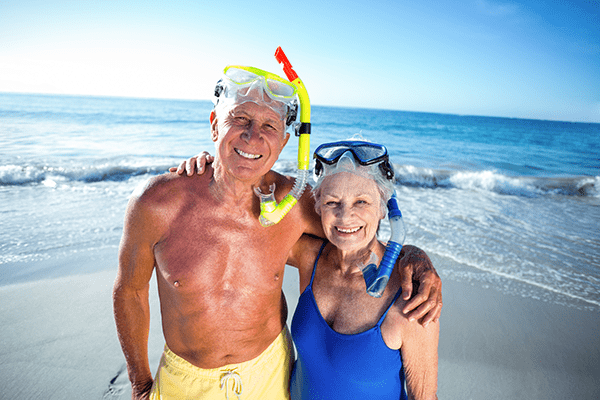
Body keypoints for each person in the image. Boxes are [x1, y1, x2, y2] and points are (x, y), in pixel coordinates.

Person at [114, 64, 442, 400]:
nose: (252, 136)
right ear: (215, 125)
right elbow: (130, 291)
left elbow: (355, 231)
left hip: (270, 376)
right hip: (186, 380)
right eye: (239, 119)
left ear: (284, 141)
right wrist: (140, 382)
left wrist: (415, 257)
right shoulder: (155, 203)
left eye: (268, 125)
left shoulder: (294, 204)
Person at [286, 140, 438, 399]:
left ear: (383, 208)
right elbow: (244, 226)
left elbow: (423, 395)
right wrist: (207, 168)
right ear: (318, 206)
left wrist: (416, 255)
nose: (345, 216)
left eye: (361, 202)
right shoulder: (309, 257)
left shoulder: (411, 296)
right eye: (333, 202)